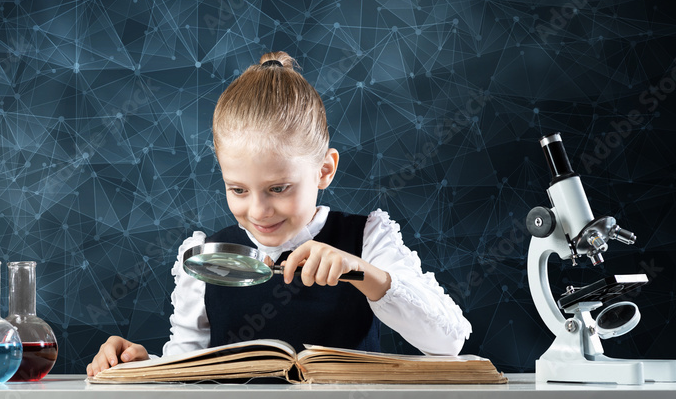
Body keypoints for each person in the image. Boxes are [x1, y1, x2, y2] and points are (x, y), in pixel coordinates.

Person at [86, 52, 472, 376]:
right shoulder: (207, 254)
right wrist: (138, 366)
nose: (258, 210)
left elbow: (448, 341)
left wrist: (361, 272)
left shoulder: (367, 239)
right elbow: (185, 369)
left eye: (278, 188)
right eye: (237, 190)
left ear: (324, 170)